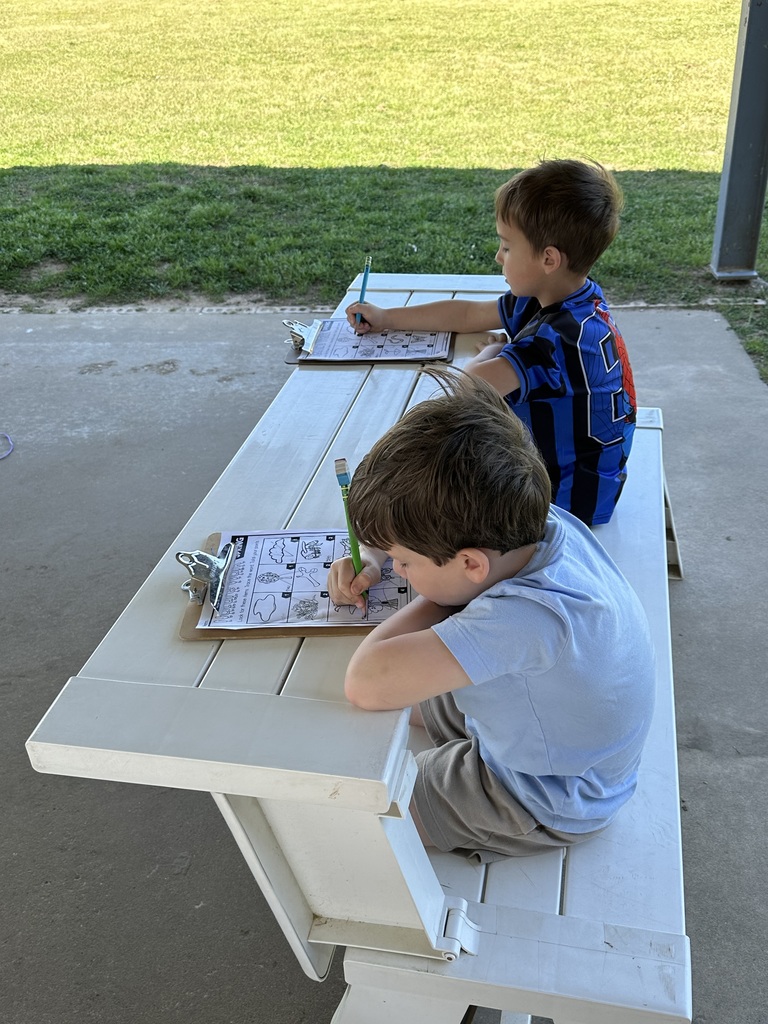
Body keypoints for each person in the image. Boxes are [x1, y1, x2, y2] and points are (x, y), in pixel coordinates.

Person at [330, 369, 655, 860]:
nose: (398, 569)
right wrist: (377, 556)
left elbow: (365, 682)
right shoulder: (533, 520)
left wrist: (437, 597)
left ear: (470, 564)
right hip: (559, 732)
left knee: (364, 813)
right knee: (407, 703)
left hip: (546, 795)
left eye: (407, 562)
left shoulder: (523, 620)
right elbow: (448, 567)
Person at [346, 158, 636, 528]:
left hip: (566, 502)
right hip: (586, 474)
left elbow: (468, 387)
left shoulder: (558, 339)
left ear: (548, 258)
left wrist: (493, 350)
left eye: (507, 246)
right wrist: (387, 318)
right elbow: (468, 315)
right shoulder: (568, 298)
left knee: (420, 493)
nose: (498, 256)